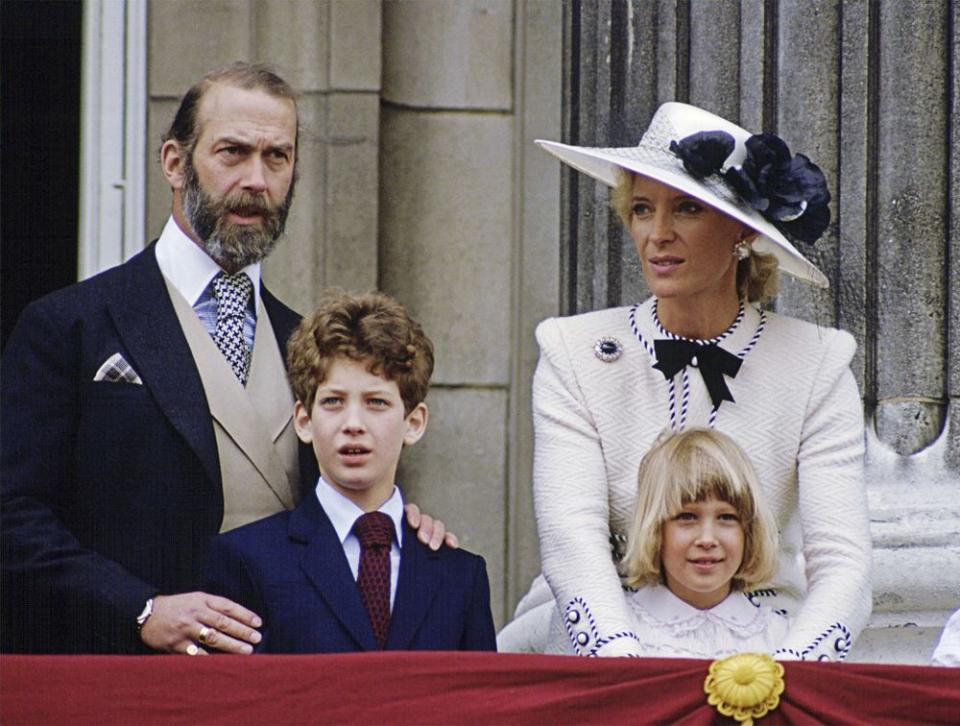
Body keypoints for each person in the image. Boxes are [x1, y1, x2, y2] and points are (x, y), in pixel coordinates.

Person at [0, 62, 451, 656]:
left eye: (277, 157)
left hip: (285, 682)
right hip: (124, 683)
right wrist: (139, 608)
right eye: (233, 153)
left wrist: (390, 527)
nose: (257, 181)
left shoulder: (306, 343)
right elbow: (12, 516)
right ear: (174, 163)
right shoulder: (68, 325)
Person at [499, 102, 872, 660]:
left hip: (764, 641)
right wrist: (628, 671)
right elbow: (571, 539)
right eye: (643, 209)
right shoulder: (571, 352)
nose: (658, 234)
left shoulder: (816, 362)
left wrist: (782, 682)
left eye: (687, 209)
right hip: (599, 639)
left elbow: (843, 561)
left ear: (742, 234)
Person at [202, 291, 497, 653]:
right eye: (333, 402)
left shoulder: (460, 576)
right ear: (304, 421)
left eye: (376, 402)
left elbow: (479, 703)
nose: (353, 423)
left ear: (414, 423)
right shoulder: (247, 560)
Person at [547, 428, 787, 658]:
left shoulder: (780, 637)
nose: (707, 539)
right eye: (687, 517)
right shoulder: (617, 631)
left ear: (749, 531)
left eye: (726, 518)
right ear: (656, 530)